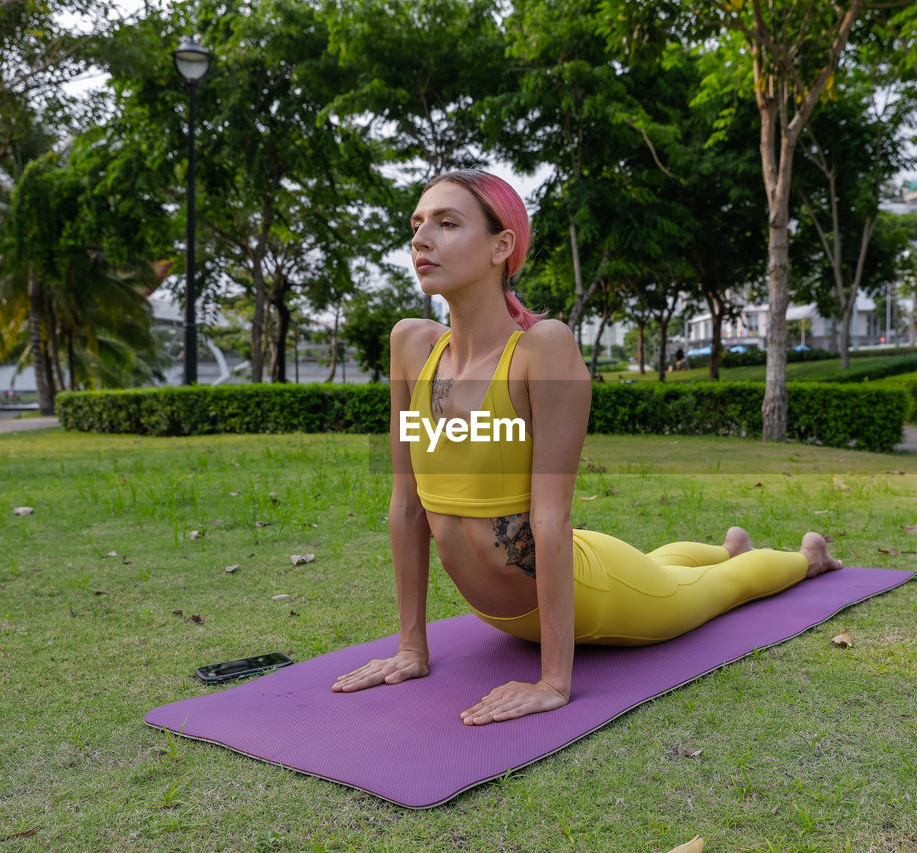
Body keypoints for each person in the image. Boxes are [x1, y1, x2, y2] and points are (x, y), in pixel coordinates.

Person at [331, 170, 842, 726]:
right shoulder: (411, 344)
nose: (421, 238)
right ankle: (726, 545)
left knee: (715, 589)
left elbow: (550, 518)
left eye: (447, 223)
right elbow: (408, 505)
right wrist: (412, 650)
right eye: (418, 223)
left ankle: (805, 557)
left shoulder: (540, 350)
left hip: (592, 590)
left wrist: (553, 681)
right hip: (516, 605)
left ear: (503, 246)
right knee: (664, 567)